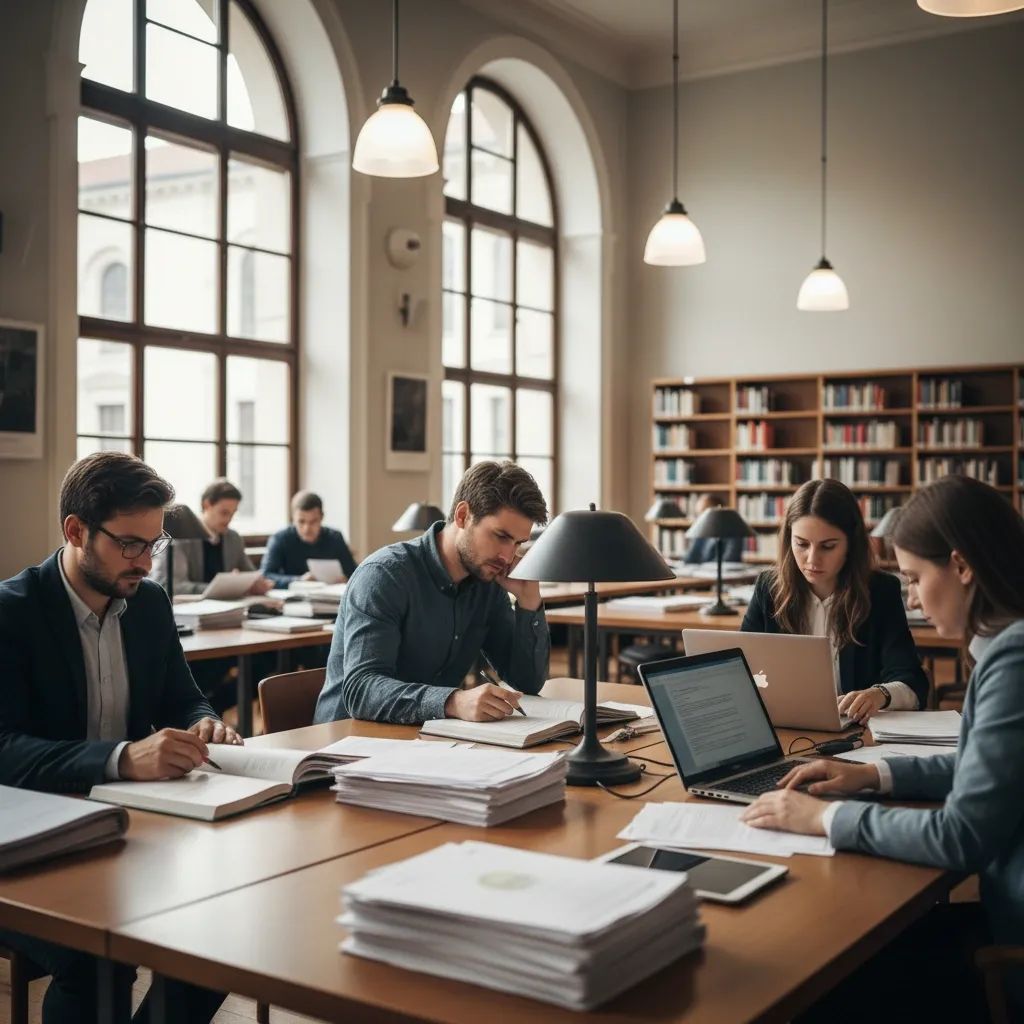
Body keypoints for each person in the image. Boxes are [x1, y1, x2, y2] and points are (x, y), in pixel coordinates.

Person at [741, 475, 1024, 1021]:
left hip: (1006, 949)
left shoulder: (1011, 659)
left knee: (814, 968)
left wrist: (824, 819)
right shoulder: (1007, 645)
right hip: (1002, 913)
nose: (913, 596)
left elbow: (959, 836)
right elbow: (986, 769)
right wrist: (872, 777)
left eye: (916, 577)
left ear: (962, 567)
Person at [0, 451, 241, 1023]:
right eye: (130, 544)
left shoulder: (148, 602)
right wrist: (118, 759)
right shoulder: (12, 613)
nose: (144, 563)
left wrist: (204, 719)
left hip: (127, 827)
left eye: (153, 545)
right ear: (75, 531)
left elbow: (183, 696)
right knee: (97, 959)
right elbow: (3, 749)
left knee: (220, 932)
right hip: (28, 837)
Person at [314, 460, 550, 725]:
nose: (508, 557)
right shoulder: (384, 576)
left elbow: (526, 682)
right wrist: (453, 701)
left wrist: (529, 601)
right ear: (462, 516)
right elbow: (362, 691)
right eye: (500, 536)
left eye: (518, 543)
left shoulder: (487, 582)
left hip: (427, 741)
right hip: (345, 744)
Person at [742, 478, 929, 723]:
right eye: (801, 544)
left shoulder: (881, 591)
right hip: (786, 727)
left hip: (856, 734)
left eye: (827, 546)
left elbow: (912, 680)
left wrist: (880, 694)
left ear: (850, 544)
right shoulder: (768, 587)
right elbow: (740, 666)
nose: (812, 559)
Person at [152, 478, 272, 596]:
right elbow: (170, 585)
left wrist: (259, 584)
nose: (229, 519)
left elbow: (251, 575)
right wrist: (223, 589)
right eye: (224, 513)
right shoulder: (181, 537)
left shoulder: (233, 538)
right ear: (206, 505)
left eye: (233, 513)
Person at [259, 490, 358, 587]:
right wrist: (299, 580)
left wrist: (346, 580)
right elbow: (266, 575)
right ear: (293, 518)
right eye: (301, 521)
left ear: (322, 517)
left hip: (331, 596)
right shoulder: (280, 539)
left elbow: (355, 574)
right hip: (293, 598)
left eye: (313, 521)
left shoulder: (335, 538)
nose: (307, 528)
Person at [685, 493, 745, 563]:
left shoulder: (733, 531)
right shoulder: (701, 530)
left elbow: (730, 559)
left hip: (720, 572)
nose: (700, 517)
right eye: (699, 513)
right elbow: (690, 557)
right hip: (699, 572)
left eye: (703, 512)